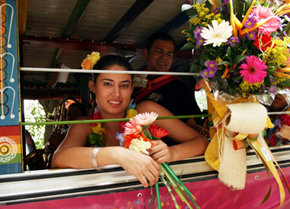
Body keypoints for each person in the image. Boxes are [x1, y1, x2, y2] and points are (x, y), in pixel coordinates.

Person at [51, 54, 208, 188]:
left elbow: (202, 142)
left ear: (132, 89)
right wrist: (119, 155)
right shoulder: (85, 126)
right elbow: (59, 159)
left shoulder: (146, 111)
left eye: (124, 85)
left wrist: (171, 153)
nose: (116, 94)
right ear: (93, 86)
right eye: (107, 84)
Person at [132, 33, 203, 134]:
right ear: (146, 53)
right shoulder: (131, 82)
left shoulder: (179, 87)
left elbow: (191, 123)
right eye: (158, 52)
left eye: (169, 54)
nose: (164, 57)